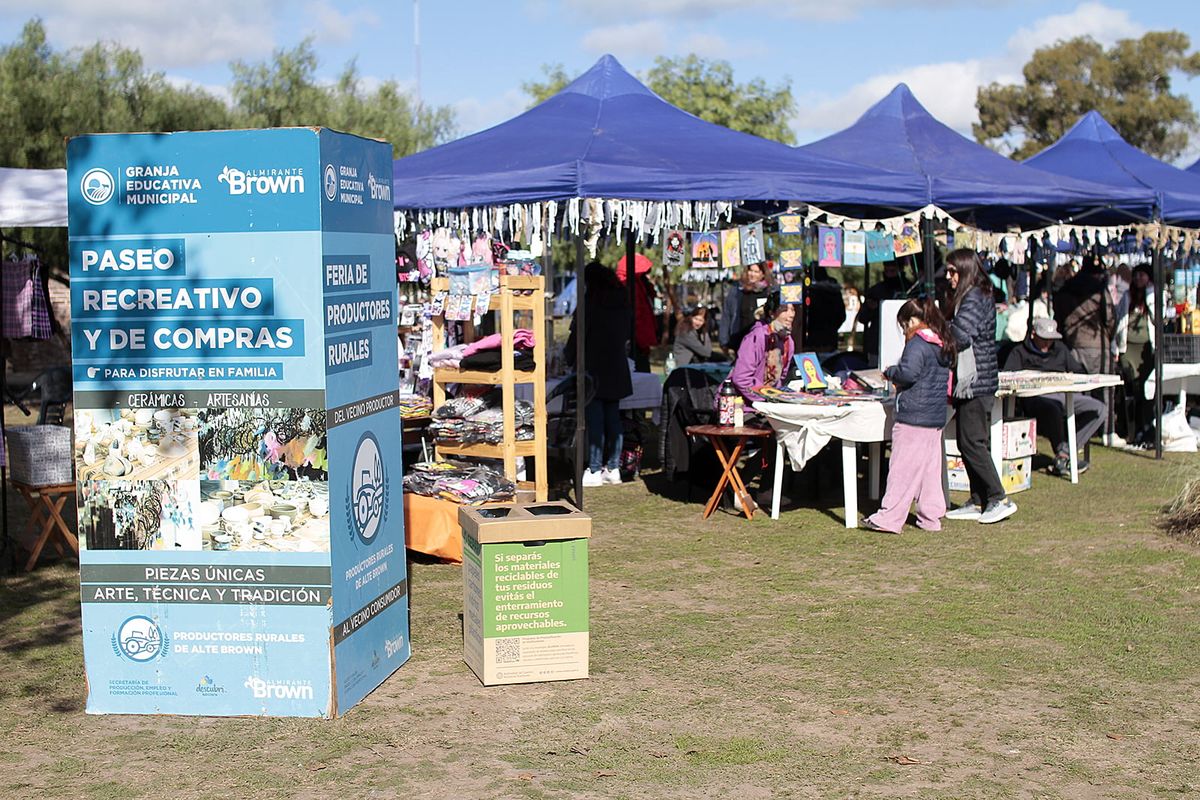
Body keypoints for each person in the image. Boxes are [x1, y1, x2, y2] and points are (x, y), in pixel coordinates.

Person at [863, 298, 954, 533]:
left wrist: (890, 371)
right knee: (929, 472)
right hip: (934, 417)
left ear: (913, 320)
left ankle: (890, 517)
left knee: (902, 469)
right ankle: (931, 517)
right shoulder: (940, 343)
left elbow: (908, 374)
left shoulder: (917, 344)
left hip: (914, 416)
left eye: (904, 324)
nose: (904, 329)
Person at [943, 249, 1017, 524]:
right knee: (967, 441)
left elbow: (961, 335)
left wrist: (940, 327)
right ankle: (978, 499)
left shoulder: (974, 296)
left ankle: (999, 497)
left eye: (953, 271)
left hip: (975, 380)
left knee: (973, 442)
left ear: (965, 271)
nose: (948, 277)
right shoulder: (973, 295)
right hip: (971, 380)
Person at [1004, 317, 1108, 476]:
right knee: (1053, 408)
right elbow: (1008, 376)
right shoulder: (1019, 352)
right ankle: (1063, 454)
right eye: (1044, 339)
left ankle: (1064, 453)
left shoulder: (1060, 349)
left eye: (1051, 339)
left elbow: (1078, 370)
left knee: (1099, 409)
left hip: (1065, 393)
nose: (1047, 344)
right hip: (1035, 397)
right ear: (1033, 334)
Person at [566, 262, 632, 487]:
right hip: (616, 365)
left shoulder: (591, 303)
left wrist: (568, 359)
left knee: (595, 419)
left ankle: (594, 468)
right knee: (613, 418)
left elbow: (576, 336)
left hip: (594, 366)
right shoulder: (622, 301)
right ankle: (613, 467)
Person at [730, 292, 796, 404]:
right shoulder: (757, 336)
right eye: (784, 309)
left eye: (793, 309)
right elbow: (741, 378)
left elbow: (780, 378)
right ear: (772, 313)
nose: (791, 314)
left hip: (769, 402)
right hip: (742, 405)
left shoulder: (788, 341)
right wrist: (765, 400)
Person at [1054, 255, 1115, 374]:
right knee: (1102, 387)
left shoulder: (1066, 288)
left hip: (1073, 343)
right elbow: (1110, 318)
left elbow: (1058, 318)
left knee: (1079, 389)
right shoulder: (1099, 290)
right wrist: (1108, 336)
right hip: (1099, 345)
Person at [1115, 275, 1155, 446]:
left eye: (1143, 274)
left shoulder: (1153, 297)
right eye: (1137, 274)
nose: (1139, 278)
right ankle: (1129, 427)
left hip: (1145, 349)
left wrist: (1149, 295)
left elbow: (1156, 318)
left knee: (1144, 389)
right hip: (1127, 347)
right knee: (1130, 388)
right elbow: (1120, 319)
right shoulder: (1127, 296)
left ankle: (1144, 427)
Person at [719, 262, 771, 355]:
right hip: (740, 340)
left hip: (762, 341)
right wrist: (723, 341)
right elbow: (727, 315)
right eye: (750, 270)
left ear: (762, 274)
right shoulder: (737, 290)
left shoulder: (768, 291)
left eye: (756, 272)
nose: (752, 274)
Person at [859, 260, 907, 362]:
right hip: (878, 344)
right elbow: (862, 317)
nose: (889, 275)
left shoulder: (908, 288)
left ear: (900, 270)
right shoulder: (875, 290)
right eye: (887, 271)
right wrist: (873, 309)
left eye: (893, 271)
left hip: (902, 342)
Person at [797, 267, 846, 354]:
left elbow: (803, 317)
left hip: (811, 339)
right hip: (830, 339)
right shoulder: (834, 292)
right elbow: (841, 316)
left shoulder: (809, 292)